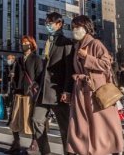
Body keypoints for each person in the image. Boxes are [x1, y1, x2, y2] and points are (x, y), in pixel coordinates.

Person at [67, 15, 124, 155]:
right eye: (73, 27)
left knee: (102, 122)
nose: (74, 30)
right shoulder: (77, 46)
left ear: (86, 28)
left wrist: (87, 57)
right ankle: (80, 149)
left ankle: (109, 147)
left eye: (77, 27)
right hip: (81, 89)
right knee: (80, 122)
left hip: (96, 90)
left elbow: (106, 64)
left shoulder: (95, 43)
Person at [32, 12, 74, 155]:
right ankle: (45, 152)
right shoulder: (48, 42)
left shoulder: (66, 43)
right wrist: (37, 81)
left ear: (59, 24)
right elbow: (45, 67)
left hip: (58, 92)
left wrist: (67, 91)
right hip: (43, 91)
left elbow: (69, 70)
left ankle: (68, 153)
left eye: (50, 22)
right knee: (36, 121)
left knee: (64, 127)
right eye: (46, 22)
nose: (47, 25)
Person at [5, 36, 43, 154]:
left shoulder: (36, 59)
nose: (24, 45)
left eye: (26, 43)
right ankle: (16, 142)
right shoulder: (19, 59)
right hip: (18, 92)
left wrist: (34, 89)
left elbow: (39, 76)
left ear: (32, 45)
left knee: (30, 119)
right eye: (22, 43)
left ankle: (34, 143)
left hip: (30, 94)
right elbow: (15, 75)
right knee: (14, 118)